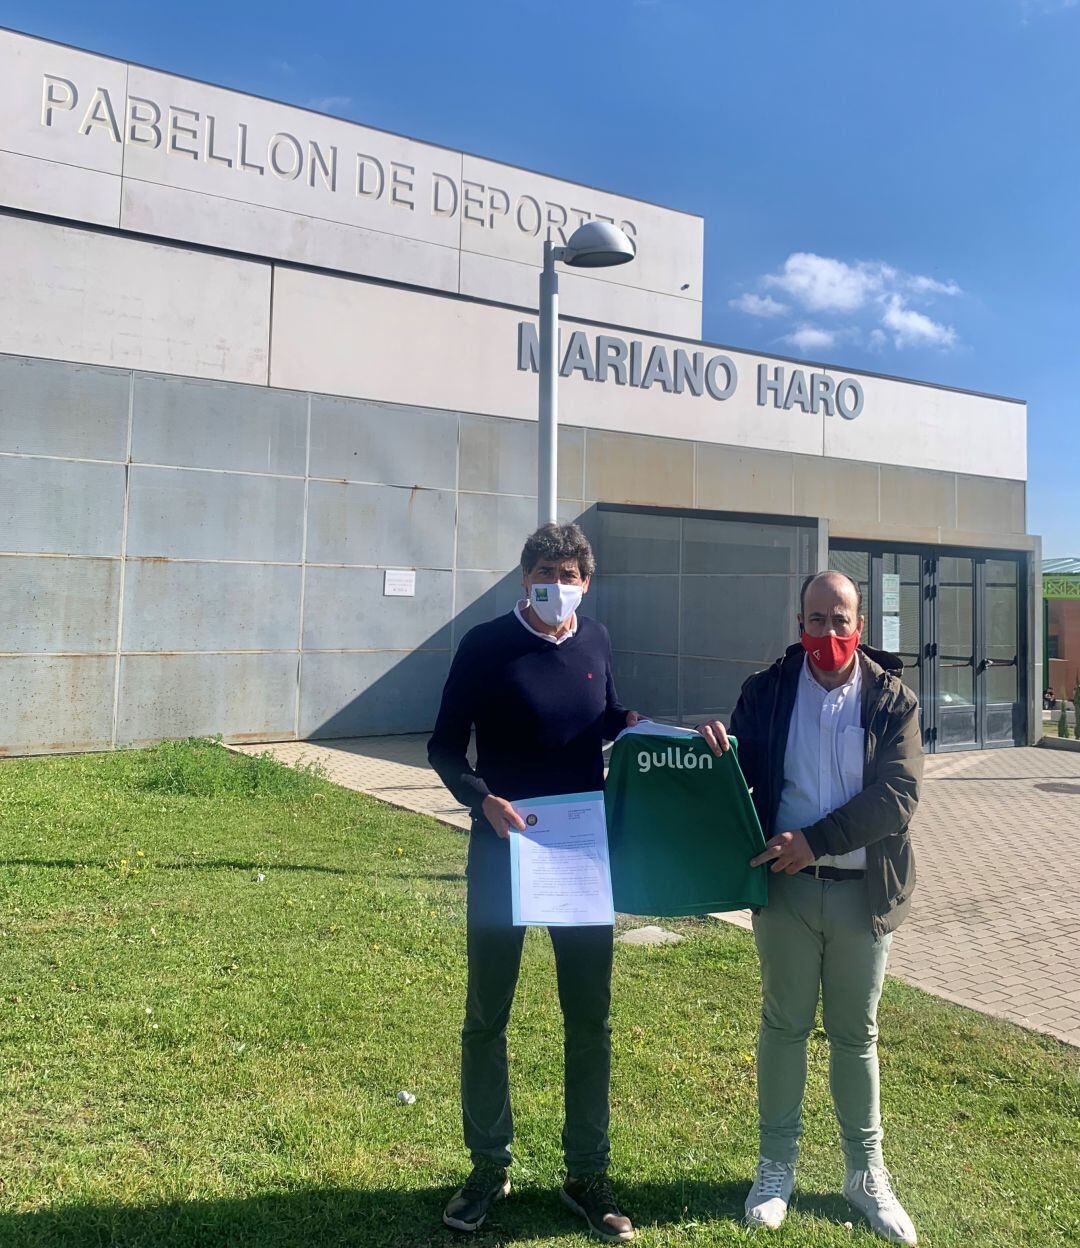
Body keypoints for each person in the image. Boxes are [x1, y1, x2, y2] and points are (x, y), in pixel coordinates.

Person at [428, 522, 641, 1243]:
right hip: (502, 851)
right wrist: (480, 800)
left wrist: (635, 724)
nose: (558, 585)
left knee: (590, 1017)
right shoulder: (485, 645)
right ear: (525, 579)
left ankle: (587, 1175)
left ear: (587, 581)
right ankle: (488, 1168)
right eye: (546, 572)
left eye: (570, 574)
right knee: (488, 1014)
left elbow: (603, 717)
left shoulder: (597, 640)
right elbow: (443, 745)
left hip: (579, 858)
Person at [697, 570, 922, 1246]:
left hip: (862, 895)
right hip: (786, 893)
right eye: (816, 618)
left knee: (856, 1036)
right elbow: (741, 782)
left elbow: (899, 796)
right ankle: (776, 1169)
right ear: (800, 624)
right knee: (784, 1027)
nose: (829, 631)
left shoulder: (892, 700)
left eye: (840, 618)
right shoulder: (766, 691)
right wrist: (716, 756)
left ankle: (865, 1173)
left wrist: (815, 841)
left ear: (860, 624)